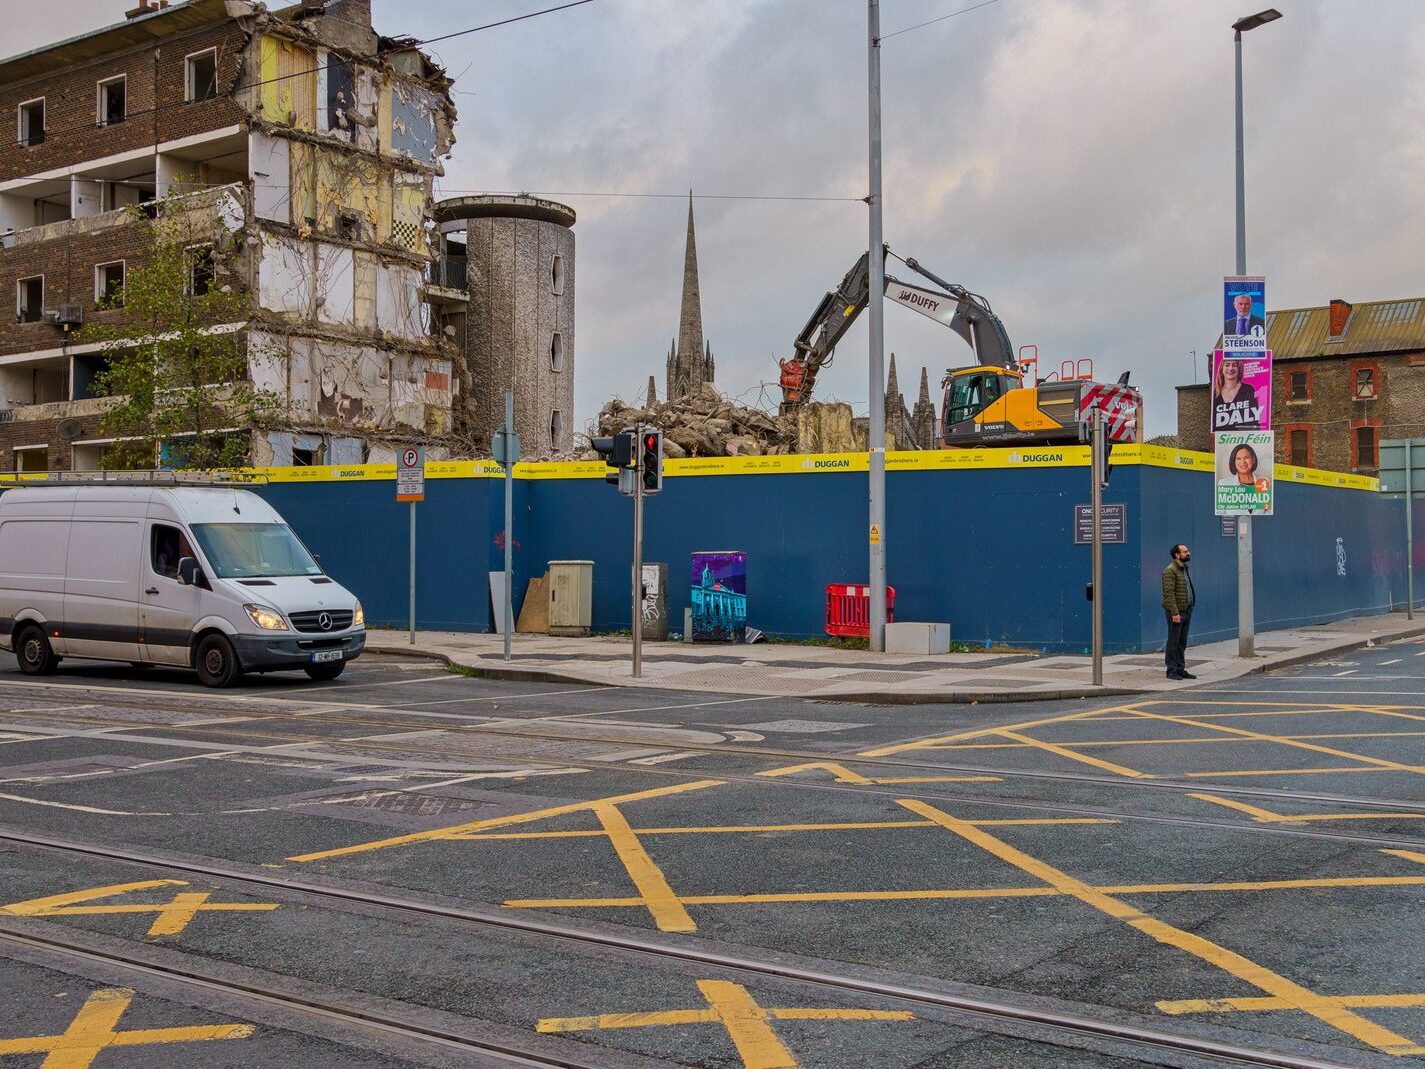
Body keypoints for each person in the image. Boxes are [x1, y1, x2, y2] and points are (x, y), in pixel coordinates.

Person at [1161, 543, 1196, 680]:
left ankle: (1180, 668)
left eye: (1187, 550)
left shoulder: (1184, 568)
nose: (1188, 553)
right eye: (1185, 551)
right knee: (1173, 642)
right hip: (1176, 612)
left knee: (1182, 642)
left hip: (1186, 610)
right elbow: (1168, 594)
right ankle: (1171, 670)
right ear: (1177, 555)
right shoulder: (1170, 570)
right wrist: (1175, 613)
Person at [1211, 358, 1258, 430]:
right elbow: (1213, 422)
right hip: (1222, 439)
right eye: (1227, 365)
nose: (1230, 368)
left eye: (1234, 365)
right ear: (1221, 370)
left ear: (1239, 369)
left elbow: (1254, 421)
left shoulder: (1248, 389)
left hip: (1242, 438)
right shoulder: (1215, 392)